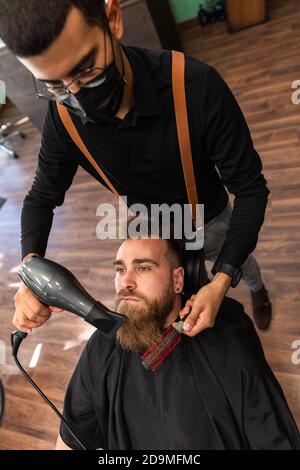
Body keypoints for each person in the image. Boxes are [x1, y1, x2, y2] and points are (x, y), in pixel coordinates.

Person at [0, 0, 272, 336]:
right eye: (55, 85)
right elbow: (41, 198)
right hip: (150, 226)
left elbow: (250, 190)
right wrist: (30, 271)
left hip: (209, 217)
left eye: (86, 70)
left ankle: (259, 292)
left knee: (243, 267)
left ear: (112, 19)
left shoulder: (196, 87)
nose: (76, 97)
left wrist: (221, 282)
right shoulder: (64, 119)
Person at [56, 234, 300, 450]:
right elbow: (71, 439)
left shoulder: (228, 338)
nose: (125, 282)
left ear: (178, 280)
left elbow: (271, 435)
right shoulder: (102, 344)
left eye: (143, 268)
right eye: (120, 269)